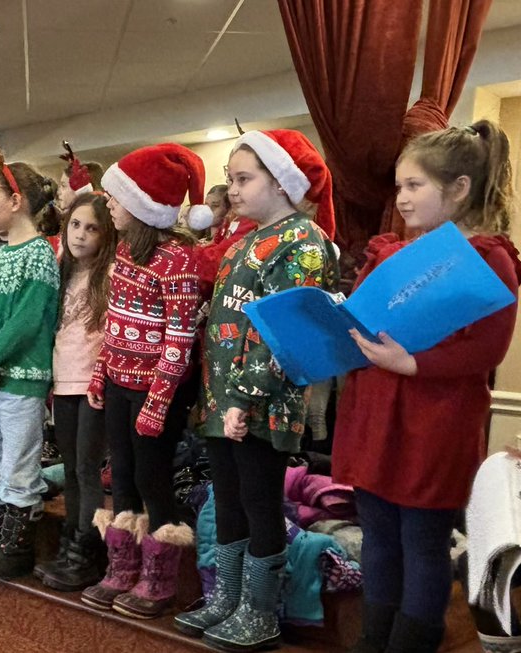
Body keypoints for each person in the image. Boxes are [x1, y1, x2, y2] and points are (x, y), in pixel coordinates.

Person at [334, 121, 518, 653]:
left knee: (421, 542)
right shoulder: (392, 254)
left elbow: (487, 350)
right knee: (379, 540)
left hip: (432, 423)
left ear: (458, 188)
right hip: (377, 414)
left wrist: (410, 363)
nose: (402, 198)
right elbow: (364, 320)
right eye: (399, 186)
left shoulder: (490, 258)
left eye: (415, 186)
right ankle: (374, 640)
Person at [175, 129, 339, 652]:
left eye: (244, 179)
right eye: (231, 179)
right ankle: (229, 597)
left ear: (282, 183)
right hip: (221, 399)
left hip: (264, 404)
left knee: (260, 501)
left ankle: (260, 611)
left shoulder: (305, 244)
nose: (234, 189)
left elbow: (287, 335)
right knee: (227, 501)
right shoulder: (242, 241)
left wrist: (245, 398)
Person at [80, 144, 209, 618]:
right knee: (124, 476)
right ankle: (122, 569)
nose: (108, 205)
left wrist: (157, 401)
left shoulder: (178, 261)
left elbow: (178, 338)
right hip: (118, 383)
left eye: (115, 198)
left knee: (154, 478)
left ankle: (159, 579)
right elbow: (112, 323)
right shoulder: (125, 251)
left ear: (141, 204)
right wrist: (101, 373)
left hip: (157, 391)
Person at [0, 134, 61, 579]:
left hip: (20, 377)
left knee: (18, 462)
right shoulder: (2, 253)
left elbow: (26, 322)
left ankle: (16, 547)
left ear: (15, 201)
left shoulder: (38, 254)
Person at [34, 192, 118, 592]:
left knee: (87, 469)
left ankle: (87, 550)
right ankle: (70, 542)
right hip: (62, 380)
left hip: (93, 384)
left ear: (106, 235)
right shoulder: (61, 272)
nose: (81, 235)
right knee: (69, 467)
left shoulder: (111, 274)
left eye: (92, 228)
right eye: (75, 225)